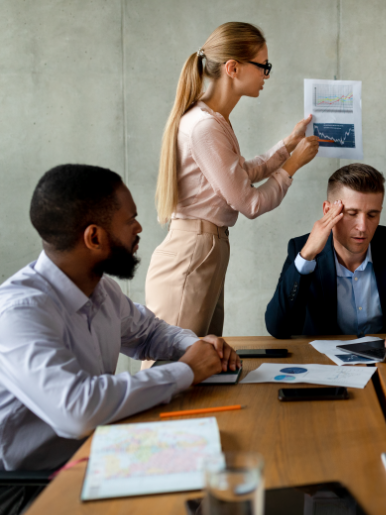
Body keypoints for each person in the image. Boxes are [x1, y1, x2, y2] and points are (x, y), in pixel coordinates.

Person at [0, 165, 239, 513]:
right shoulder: (20, 312)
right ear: (94, 238)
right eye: (131, 220)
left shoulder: (100, 288)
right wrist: (185, 371)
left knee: (218, 463)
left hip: (93, 456)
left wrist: (195, 347)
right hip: (31, 486)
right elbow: (77, 409)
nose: (139, 228)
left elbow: (150, 332)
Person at [146, 21, 319, 339]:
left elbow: (243, 174)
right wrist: (293, 164)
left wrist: (289, 143)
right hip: (194, 252)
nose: (266, 74)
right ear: (233, 68)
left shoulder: (214, 122)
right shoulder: (205, 127)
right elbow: (250, 202)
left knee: (200, 366)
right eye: (263, 65)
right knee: (174, 369)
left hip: (204, 249)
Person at [265, 164, 386, 340]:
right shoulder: (302, 248)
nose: (363, 227)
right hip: (324, 365)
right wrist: (307, 256)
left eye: (372, 215)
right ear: (328, 211)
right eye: (352, 214)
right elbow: (277, 328)